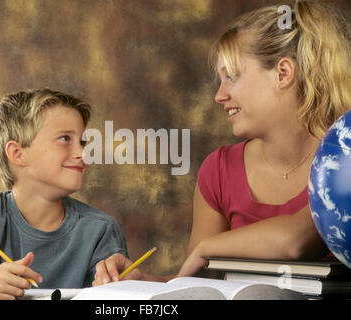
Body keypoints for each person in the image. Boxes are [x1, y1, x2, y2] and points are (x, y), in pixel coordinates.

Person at [92, 0, 351, 285]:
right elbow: (196, 281)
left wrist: (208, 247)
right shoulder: (219, 169)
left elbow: (297, 241)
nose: (219, 95)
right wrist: (141, 281)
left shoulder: (344, 154)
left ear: (283, 73)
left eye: (231, 77)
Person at [0, 88, 128, 299]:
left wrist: (126, 284)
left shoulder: (100, 229)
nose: (82, 153)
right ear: (18, 154)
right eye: (65, 139)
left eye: (82, 142)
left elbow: (118, 297)